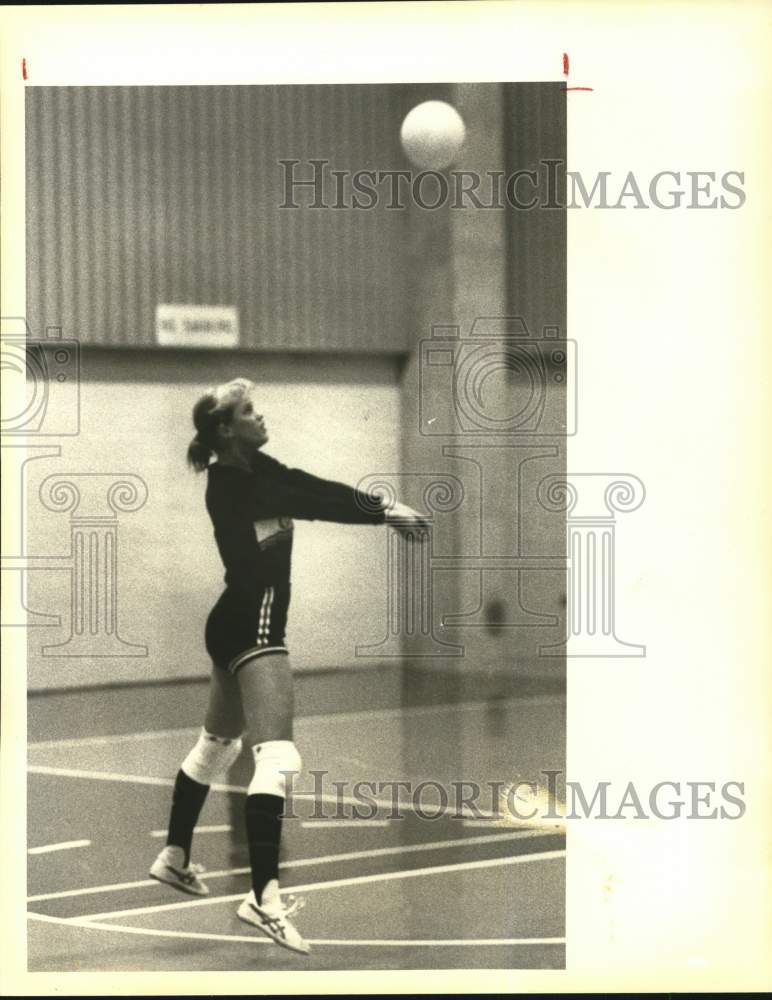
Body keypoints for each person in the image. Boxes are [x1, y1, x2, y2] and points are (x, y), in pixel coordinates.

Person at [149, 377, 427, 955]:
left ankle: (174, 856)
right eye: (249, 411)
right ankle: (263, 900)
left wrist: (385, 506)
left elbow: (303, 484)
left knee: (216, 748)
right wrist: (385, 513)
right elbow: (309, 497)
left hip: (229, 622)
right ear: (226, 430)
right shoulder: (234, 487)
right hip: (253, 625)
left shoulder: (252, 471)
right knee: (277, 758)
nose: (260, 416)